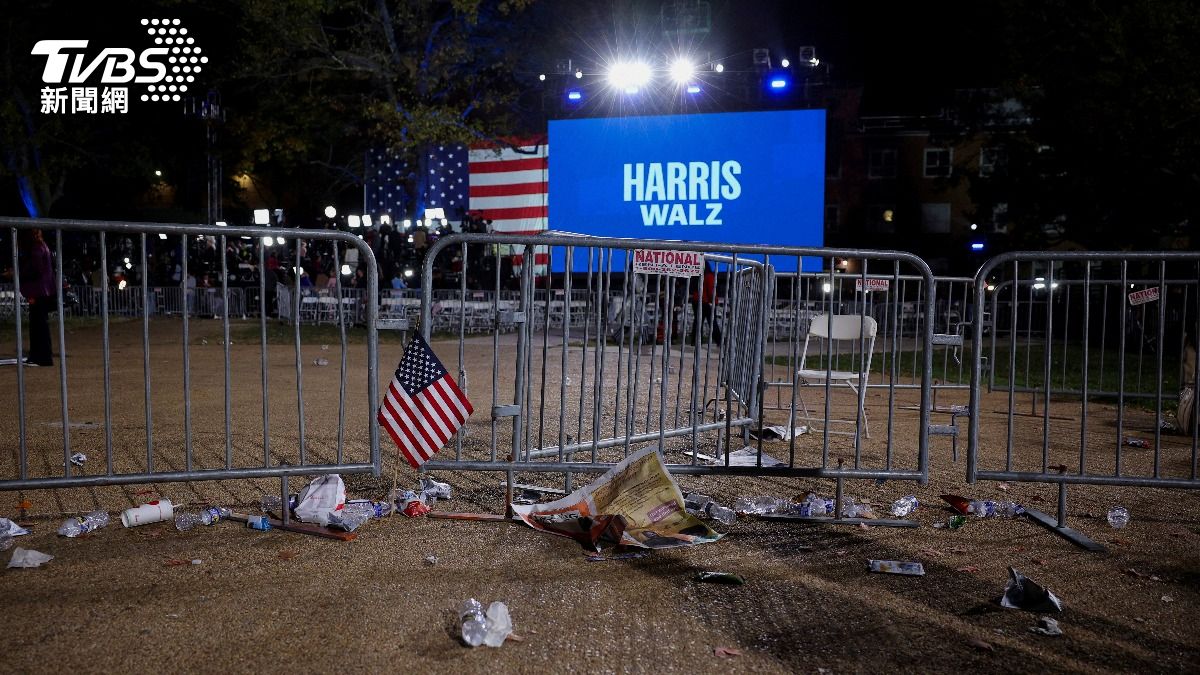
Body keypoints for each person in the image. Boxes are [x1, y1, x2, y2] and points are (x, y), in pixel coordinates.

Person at [18, 229, 55, 366]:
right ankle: (37, 355)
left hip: (38, 290)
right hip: (42, 290)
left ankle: (42, 357)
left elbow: (35, 269)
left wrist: (18, 273)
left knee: (38, 325)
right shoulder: (42, 246)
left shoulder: (36, 248)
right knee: (38, 324)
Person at [690, 260, 722, 345]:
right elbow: (711, 290)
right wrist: (714, 301)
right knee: (712, 322)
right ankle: (719, 341)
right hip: (706, 301)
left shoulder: (696, 275)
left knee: (698, 322)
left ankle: (695, 341)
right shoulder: (709, 276)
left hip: (696, 300)